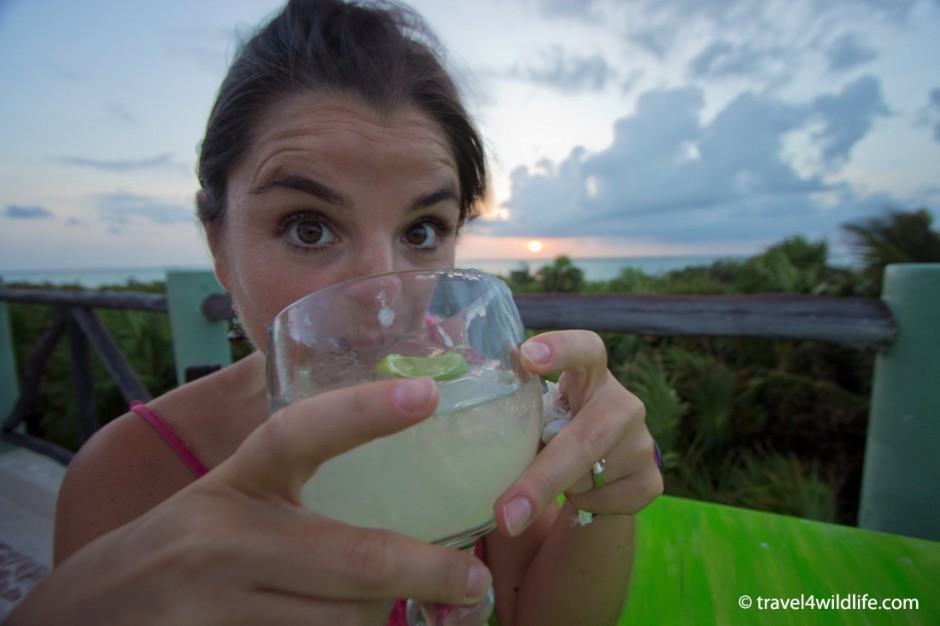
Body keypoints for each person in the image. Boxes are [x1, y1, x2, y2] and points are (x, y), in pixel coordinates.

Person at [7, 0, 662, 624]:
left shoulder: (478, 408)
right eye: (309, 227)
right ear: (219, 246)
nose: (384, 301)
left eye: (423, 231)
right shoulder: (129, 476)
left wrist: (605, 500)